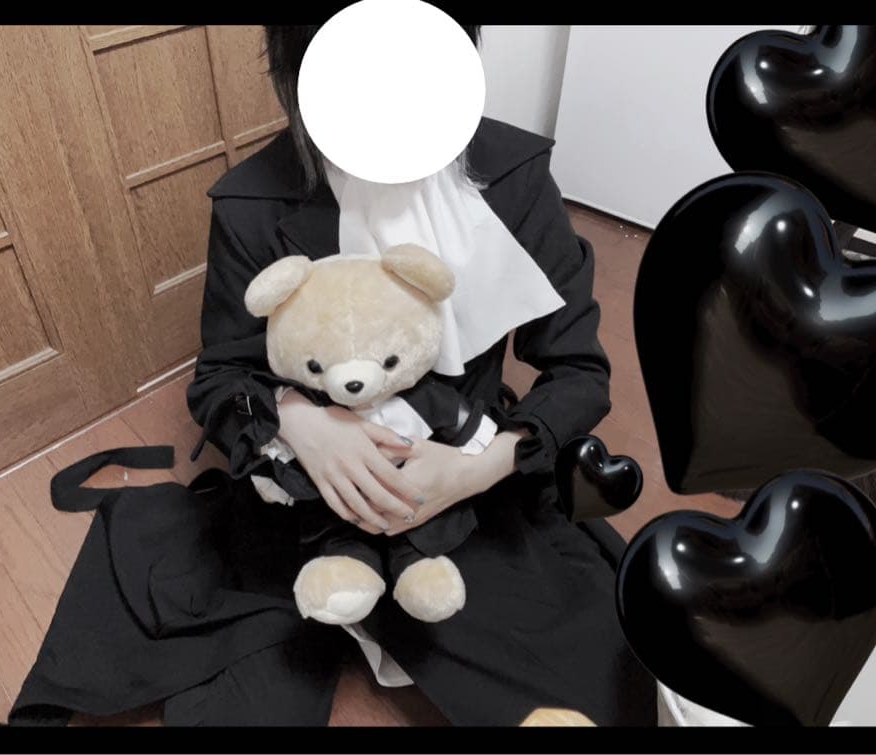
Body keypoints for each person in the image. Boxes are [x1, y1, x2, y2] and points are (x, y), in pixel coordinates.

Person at [184, 24, 657, 726]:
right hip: (313, 489)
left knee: (605, 669)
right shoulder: (254, 199)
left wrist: (477, 469)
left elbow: (579, 370)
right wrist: (302, 422)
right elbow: (219, 375)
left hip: (465, 459)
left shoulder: (512, 174)